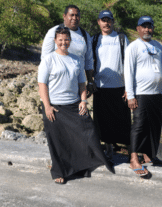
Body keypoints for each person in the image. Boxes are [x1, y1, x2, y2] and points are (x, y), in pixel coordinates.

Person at [38, 26, 114, 184]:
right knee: (57, 140)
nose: (63, 42)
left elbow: (81, 84)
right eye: (60, 40)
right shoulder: (48, 59)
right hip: (55, 106)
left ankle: (85, 163)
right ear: (55, 41)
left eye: (66, 39)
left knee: (88, 130)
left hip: (73, 104)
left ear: (70, 41)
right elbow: (42, 85)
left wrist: (84, 101)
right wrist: (47, 106)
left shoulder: (75, 59)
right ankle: (59, 171)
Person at [124, 16, 162, 176]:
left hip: (157, 94)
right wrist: (130, 95)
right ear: (138, 29)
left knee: (154, 126)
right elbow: (128, 72)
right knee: (139, 126)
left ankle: (149, 155)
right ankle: (134, 158)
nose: (147, 29)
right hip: (140, 93)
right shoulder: (133, 47)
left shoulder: (158, 46)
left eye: (150, 26)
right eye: (144, 26)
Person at [91, 10, 131, 158]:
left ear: (113, 22)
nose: (106, 23)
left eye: (109, 20)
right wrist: (90, 81)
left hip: (120, 85)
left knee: (123, 118)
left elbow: (128, 63)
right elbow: (89, 62)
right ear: (98, 22)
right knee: (102, 120)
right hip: (100, 86)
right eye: (103, 20)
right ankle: (108, 148)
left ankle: (127, 147)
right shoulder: (94, 39)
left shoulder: (121, 38)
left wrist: (129, 87)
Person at [41, 5, 96, 96]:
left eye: (77, 15)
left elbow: (88, 61)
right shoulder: (53, 32)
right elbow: (45, 60)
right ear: (64, 16)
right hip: (56, 85)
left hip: (78, 85)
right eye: (72, 15)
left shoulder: (85, 35)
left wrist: (90, 82)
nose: (74, 18)